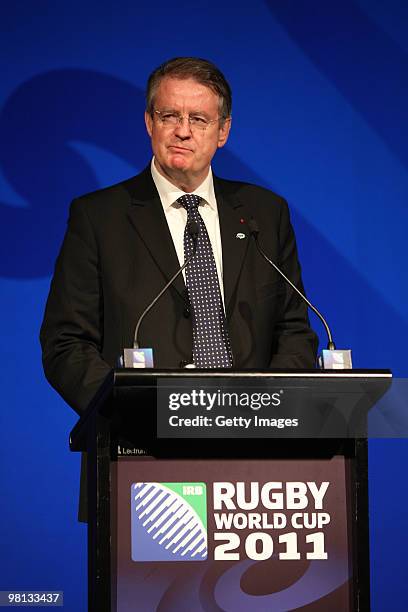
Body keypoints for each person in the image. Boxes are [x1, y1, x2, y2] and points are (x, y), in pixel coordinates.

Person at [40, 57, 318, 417]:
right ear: (149, 122)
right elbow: (66, 343)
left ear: (223, 131)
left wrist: (262, 409)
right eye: (169, 116)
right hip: (141, 450)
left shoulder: (264, 214)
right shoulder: (99, 217)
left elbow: (295, 332)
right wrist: (131, 411)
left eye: (199, 119)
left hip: (252, 445)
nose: (182, 131)